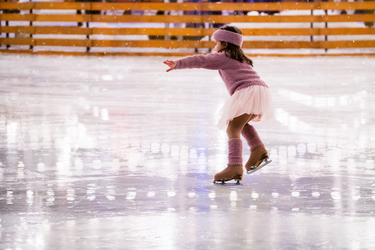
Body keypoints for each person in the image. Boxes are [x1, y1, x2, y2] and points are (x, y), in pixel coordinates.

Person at [163, 25, 274, 183]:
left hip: (248, 91)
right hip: (259, 90)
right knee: (239, 124)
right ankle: (258, 150)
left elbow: (202, 60)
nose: (214, 47)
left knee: (232, 127)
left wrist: (178, 64)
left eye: (216, 43)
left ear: (225, 44)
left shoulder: (224, 56)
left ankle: (234, 166)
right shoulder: (240, 57)